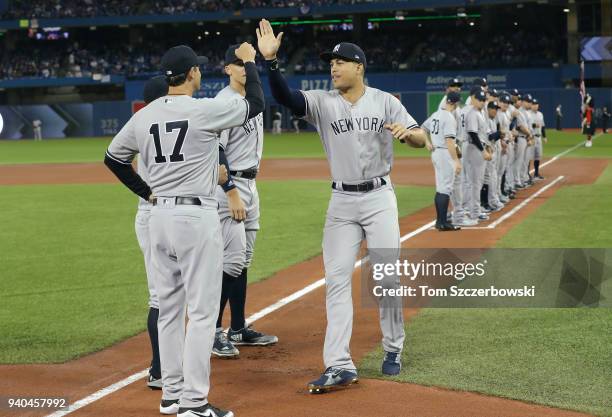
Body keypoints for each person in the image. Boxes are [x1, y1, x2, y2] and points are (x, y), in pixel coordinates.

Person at [256, 18, 427, 393]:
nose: (332, 67)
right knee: (336, 281)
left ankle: (394, 347)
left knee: (385, 278)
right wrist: (271, 63)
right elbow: (285, 98)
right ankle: (338, 364)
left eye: (340, 61)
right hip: (341, 202)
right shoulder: (322, 103)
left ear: (359, 67)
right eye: (330, 62)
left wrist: (409, 134)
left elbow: (421, 138)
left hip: (380, 198)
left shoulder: (384, 101)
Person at [104, 43, 264, 417]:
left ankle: (171, 394)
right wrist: (253, 64)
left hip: (157, 216)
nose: (200, 72)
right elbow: (254, 103)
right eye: (198, 69)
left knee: (170, 309)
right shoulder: (203, 110)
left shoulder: (144, 115)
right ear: (192, 74)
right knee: (204, 312)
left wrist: (146, 190)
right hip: (195, 216)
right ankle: (194, 402)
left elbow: (113, 158)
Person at [212, 44, 278, 359]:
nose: (244, 68)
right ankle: (212, 331)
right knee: (232, 261)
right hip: (231, 186)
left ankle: (237, 327)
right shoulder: (223, 102)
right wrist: (231, 190)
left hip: (251, 183)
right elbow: (216, 150)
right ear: (227, 69)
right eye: (238, 64)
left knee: (244, 261)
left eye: (246, 64)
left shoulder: (248, 99)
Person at [423, 91, 462, 231]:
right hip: (445, 153)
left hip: (436, 153)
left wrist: (427, 142)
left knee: (441, 188)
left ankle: (440, 221)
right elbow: (449, 141)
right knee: (445, 188)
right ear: (456, 103)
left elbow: (422, 128)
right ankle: (443, 222)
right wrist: (456, 161)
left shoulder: (436, 114)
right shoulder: (449, 118)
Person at [531, 98, 546, 179]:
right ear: (531, 105)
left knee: (538, 156)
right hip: (531, 137)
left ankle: (536, 173)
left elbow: (543, 126)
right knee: (529, 157)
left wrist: (545, 136)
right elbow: (527, 124)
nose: (535, 106)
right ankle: (526, 174)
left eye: (536, 104)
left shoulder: (540, 114)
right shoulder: (529, 114)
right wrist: (534, 125)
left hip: (539, 137)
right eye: (533, 104)